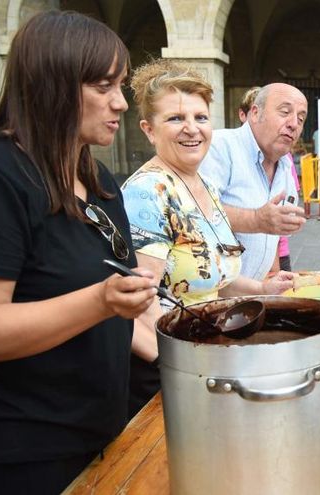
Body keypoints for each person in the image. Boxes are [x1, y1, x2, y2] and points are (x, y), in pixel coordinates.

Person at [0, 11, 157, 492]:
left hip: (105, 431)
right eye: (104, 86)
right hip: (28, 455)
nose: (120, 103)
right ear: (54, 84)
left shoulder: (100, 181)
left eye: (120, 86)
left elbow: (120, 304)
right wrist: (99, 301)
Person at [122, 60, 295, 417]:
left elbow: (213, 279)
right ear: (149, 129)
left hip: (206, 355)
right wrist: (177, 367)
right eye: (175, 119)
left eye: (200, 118)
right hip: (169, 372)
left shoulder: (205, 186)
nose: (192, 129)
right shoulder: (149, 191)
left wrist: (265, 289)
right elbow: (138, 306)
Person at [200, 83, 308, 280]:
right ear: (255, 113)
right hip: (210, 297)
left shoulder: (284, 165)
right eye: (285, 112)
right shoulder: (220, 147)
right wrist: (256, 220)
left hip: (253, 294)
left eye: (301, 119)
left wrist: (272, 277)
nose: (294, 124)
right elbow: (195, 215)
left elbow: (273, 236)